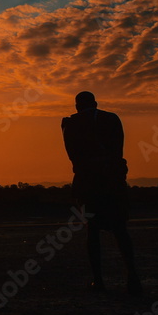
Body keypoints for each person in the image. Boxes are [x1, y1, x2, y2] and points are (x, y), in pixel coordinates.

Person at [61, 91, 142, 295]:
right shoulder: (112, 119)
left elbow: (73, 156)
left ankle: (98, 280)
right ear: (95, 103)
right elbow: (118, 150)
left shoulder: (70, 124)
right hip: (112, 181)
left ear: (77, 106)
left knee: (92, 230)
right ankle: (132, 276)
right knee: (120, 229)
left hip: (88, 183)